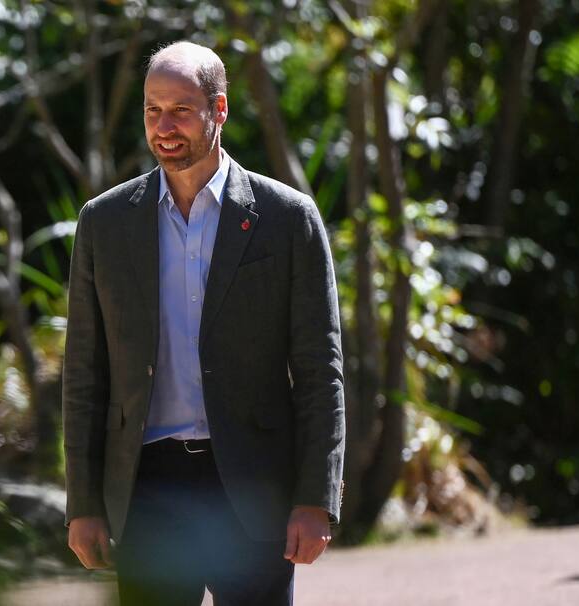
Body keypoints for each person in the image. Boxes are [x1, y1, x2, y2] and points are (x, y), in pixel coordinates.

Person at [62, 40, 346, 606]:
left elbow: (320, 369)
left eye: (181, 110)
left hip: (251, 487)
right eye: (151, 110)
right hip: (147, 492)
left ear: (220, 110)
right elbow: (85, 374)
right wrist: (84, 504)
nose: (164, 126)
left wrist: (316, 497)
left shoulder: (288, 219)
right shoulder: (105, 223)